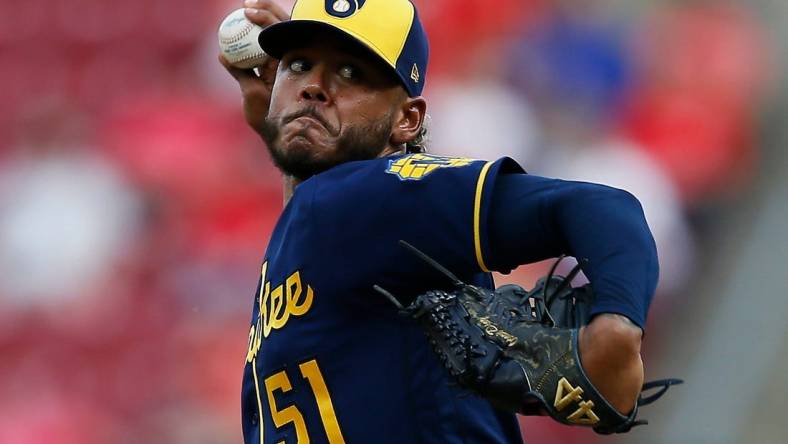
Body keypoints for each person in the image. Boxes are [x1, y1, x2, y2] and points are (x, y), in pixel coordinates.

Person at [221, 0, 653, 442]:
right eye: (299, 64)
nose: (313, 86)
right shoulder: (328, 216)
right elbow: (320, 216)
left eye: (351, 73)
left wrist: (616, 330)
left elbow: (604, 209)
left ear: (407, 121)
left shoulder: (369, 196)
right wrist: (282, 129)